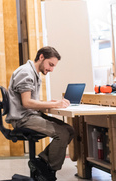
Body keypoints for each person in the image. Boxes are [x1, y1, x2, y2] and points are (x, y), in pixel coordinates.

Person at [6, 46, 74, 181]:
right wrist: (54, 104)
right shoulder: (26, 73)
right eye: (50, 64)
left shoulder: (34, 73)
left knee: (69, 130)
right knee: (62, 133)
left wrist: (49, 102)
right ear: (41, 57)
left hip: (30, 115)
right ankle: (48, 173)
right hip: (23, 119)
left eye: (54, 66)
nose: (51, 69)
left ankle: (41, 163)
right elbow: (26, 103)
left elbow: (31, 101)